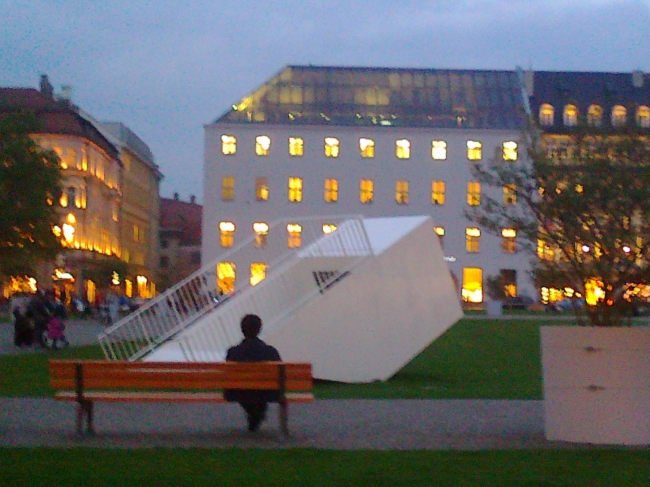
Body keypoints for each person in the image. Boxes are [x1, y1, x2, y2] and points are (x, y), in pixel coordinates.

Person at [225, 314, 281, 432]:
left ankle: (254, 413)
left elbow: (228, 376)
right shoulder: (270, 352)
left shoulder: (233, 352)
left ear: (242, 330)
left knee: (244, 389)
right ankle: (257, 412)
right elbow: (281, 374)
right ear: (259, 329)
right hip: (266, 393)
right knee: (260, 390)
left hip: (239, 392)